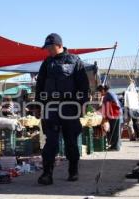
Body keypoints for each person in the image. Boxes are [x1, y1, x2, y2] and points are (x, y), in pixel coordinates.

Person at [35, 33, 89, 185]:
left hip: (70, 108)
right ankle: (47, 174)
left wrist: (82, 105)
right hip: (51, 108)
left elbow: (83, 86)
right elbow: (40, 86)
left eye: (50, 48)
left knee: (71, 141)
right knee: (50, 142)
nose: (48, 51)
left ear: (58, 45)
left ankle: (73, 171)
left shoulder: (75, 60)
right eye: (46, 48)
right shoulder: (46, 63)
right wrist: (38, 105)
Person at [97, 85, 121, 151]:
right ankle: (115, 146)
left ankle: (115, 147)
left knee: (115, 131)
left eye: (100, 92)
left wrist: (113, 111)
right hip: (111, 115)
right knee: (113, 130)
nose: (100, 94)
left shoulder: (109, 93)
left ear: (102, 90)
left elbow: (116, 103)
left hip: (114, 115)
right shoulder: (107, 94)